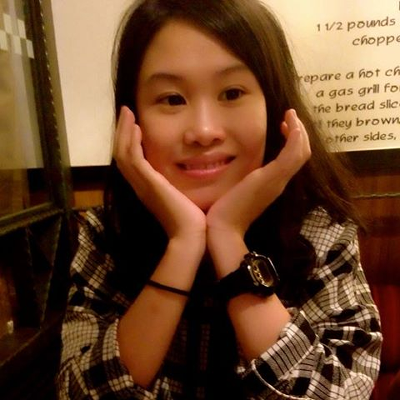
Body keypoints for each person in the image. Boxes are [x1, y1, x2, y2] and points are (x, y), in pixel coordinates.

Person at [57, 0, 382, 398]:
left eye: (232, 92)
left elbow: (342, 393)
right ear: (132, 119)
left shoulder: (321, 231)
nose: (204, 131)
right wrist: (184, 244)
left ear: (275, 106)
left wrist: (228, 237)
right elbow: (77, 392)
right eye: (172, 99)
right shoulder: (106, 233)